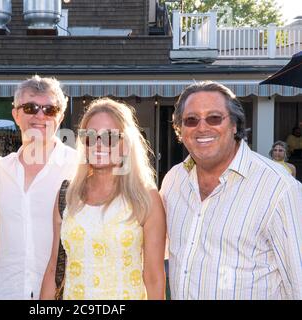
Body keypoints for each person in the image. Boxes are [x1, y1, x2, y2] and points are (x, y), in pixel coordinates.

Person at [160, 81, 302, 300]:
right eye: (191, 120)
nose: (202, 127)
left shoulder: (279, 188)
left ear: (235, 125)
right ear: (181, 129)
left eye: (214, 118)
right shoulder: (173, 181)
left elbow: (298, 280)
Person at [40, 98, 166, 300]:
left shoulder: (145, 198)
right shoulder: (68, 195)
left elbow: (154, 278)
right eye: (90, 137)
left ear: (125, 144)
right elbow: (53, 269)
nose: (98, 145)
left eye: (109, 137)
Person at [0, 75, 78, 300]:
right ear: (16, 115)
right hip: (3, 291)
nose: (40, 115)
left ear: (59, 116)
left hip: (63, 295)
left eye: (50, 109)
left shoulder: (79, 168)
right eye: (30, 107)